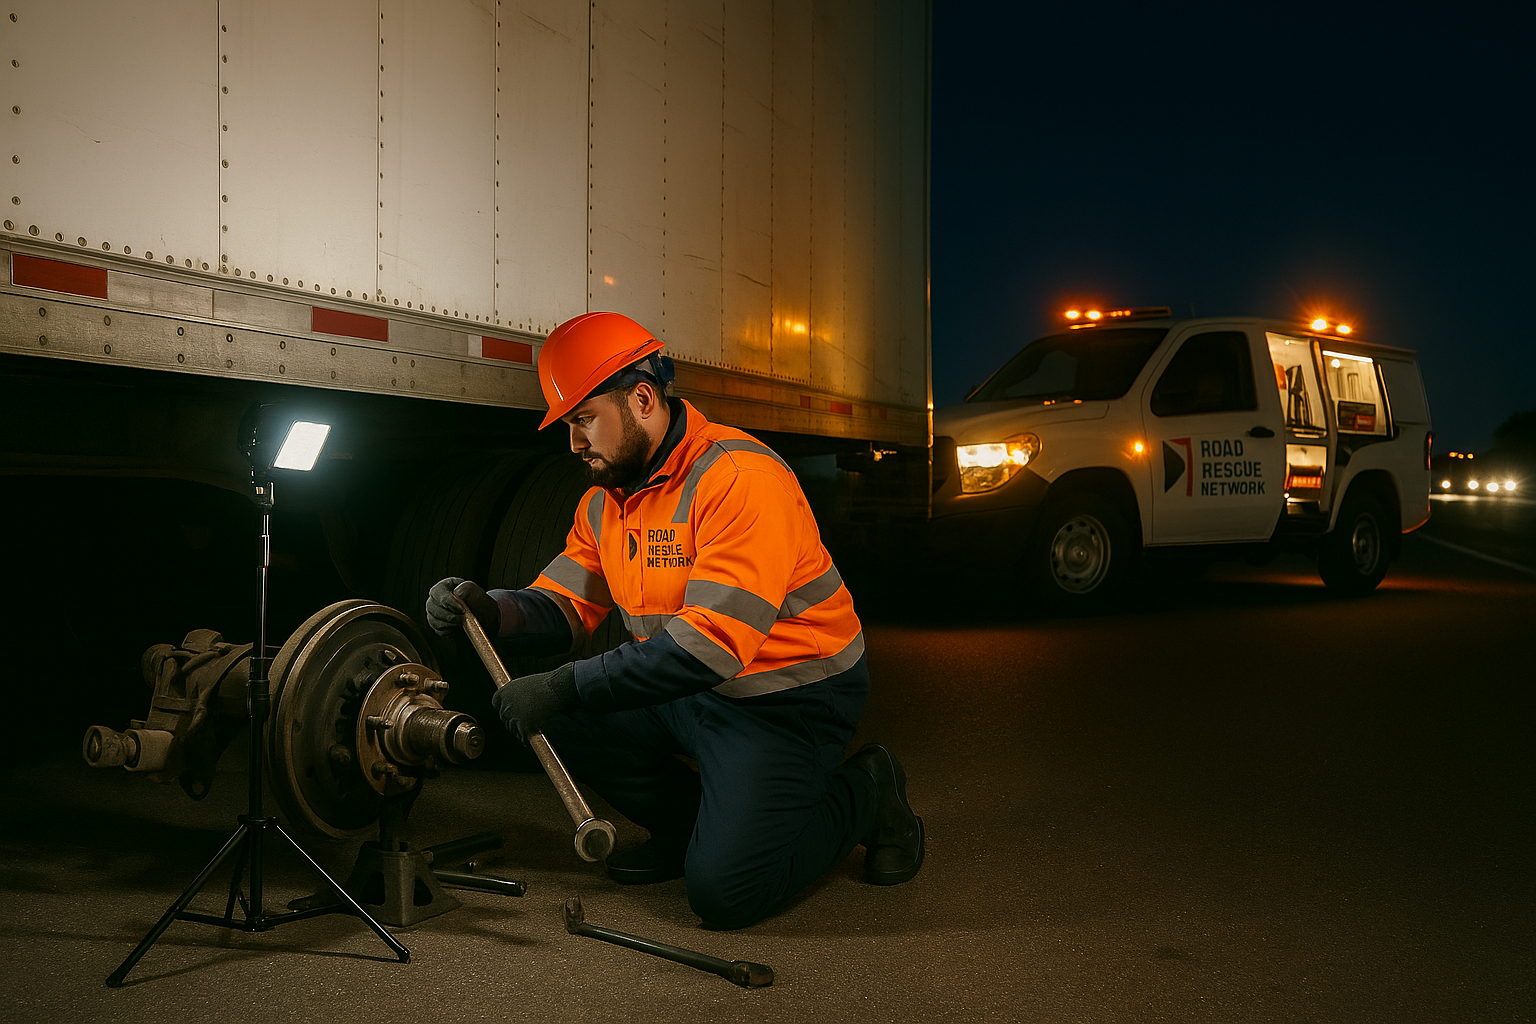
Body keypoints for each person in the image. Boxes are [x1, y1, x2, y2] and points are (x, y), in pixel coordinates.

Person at [425, 311, 923, 929]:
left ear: (640, 399)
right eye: (570, 425)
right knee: (563, 719)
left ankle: (867, 791)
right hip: (685, 690)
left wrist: (564, 683)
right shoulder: (607, 501)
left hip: (783, 697)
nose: (574, 444)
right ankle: (692, 829)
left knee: (727, 895)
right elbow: (566, 606)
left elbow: (711, 647)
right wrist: (489, 608)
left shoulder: (739, 480)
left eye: (583, 421)